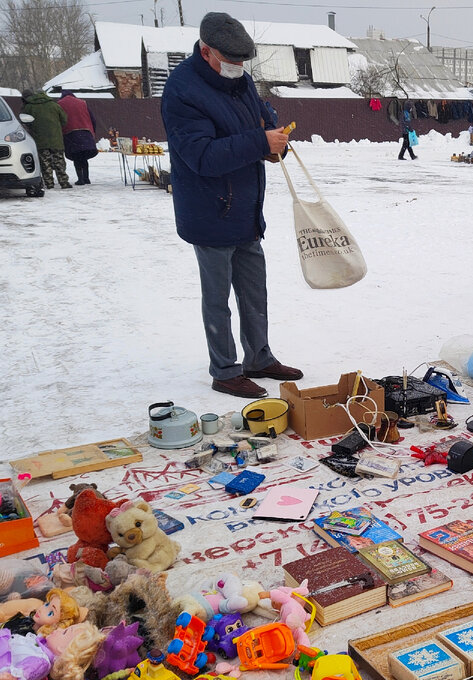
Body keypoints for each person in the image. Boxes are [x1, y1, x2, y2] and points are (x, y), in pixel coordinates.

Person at [161, 12, 303, 400]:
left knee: (255, 292)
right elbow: (201, 156)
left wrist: (274, 138)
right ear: (206, 52)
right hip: (209, 212)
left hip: (245, 208)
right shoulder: (181, 90)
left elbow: (261, 117)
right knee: (218, 299)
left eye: (243, 62)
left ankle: (258, 357)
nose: (238, 68)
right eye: (231, 60)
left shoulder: (239, 79)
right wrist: (260, 144)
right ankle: (225, 371)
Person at [21, 89, 71, 190]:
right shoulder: (54, 105)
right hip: (56, 138)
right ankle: (64, 182)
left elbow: (23, 121)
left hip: (40, 139)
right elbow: (64, 120)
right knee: (59, 161)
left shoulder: (29, 107)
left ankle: (49, 183)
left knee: (45, 162)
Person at [56, 88, 98, 186]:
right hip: (85, 132)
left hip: (71, 133)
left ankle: (80, 179)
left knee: (76, 157)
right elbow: (93, 119)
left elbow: (60, 120)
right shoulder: (82, 103)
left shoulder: (60, 104)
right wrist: (92, 132)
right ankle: (86, 178)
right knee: (84, 157)